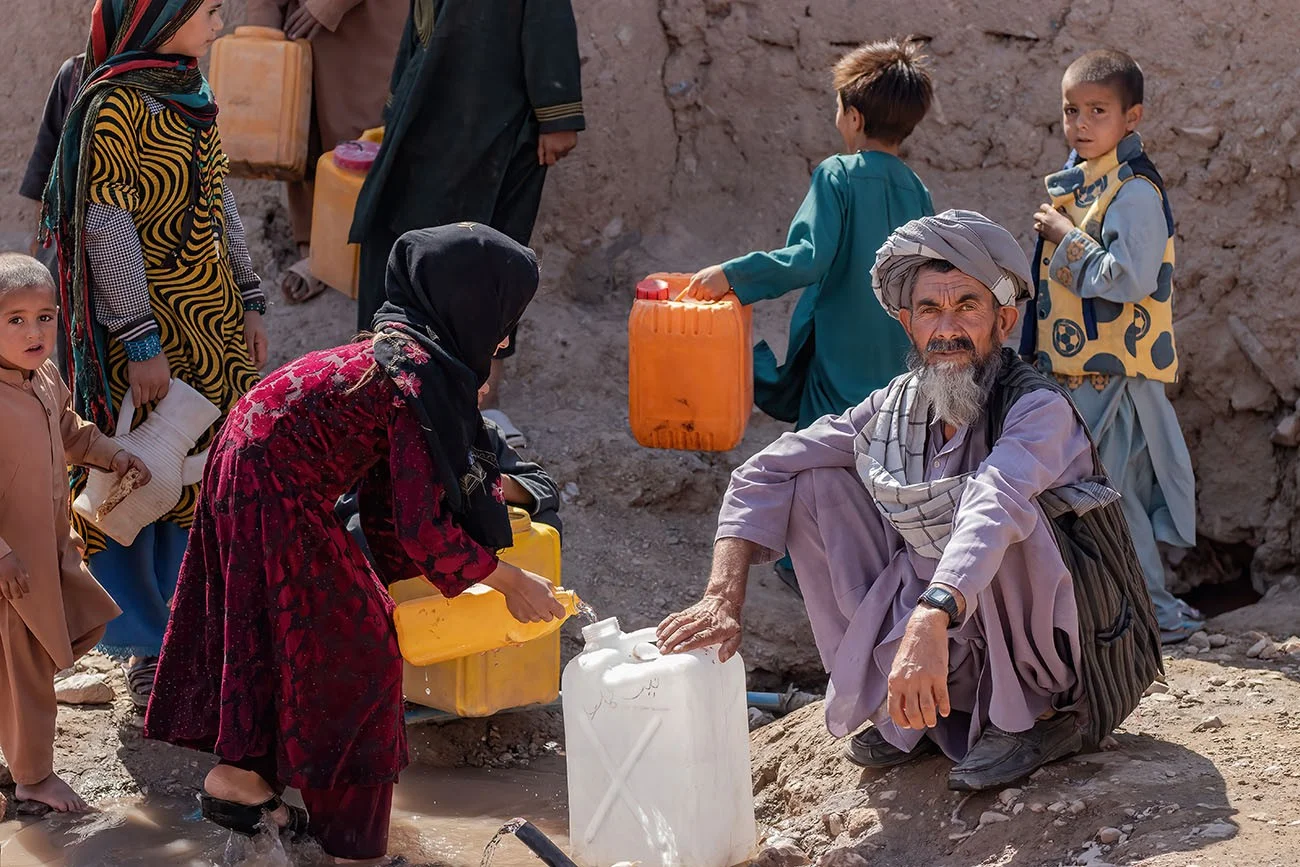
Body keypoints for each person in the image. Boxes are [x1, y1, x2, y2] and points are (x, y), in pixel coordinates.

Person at [143, 224, 566, 863]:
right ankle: (356, 850)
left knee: (277, 627)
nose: (505, 336)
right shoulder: (416, 374)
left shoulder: (400, 351)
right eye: (503, 316)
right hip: (276, 488)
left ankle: (242, 782)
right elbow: (420, 527)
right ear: (470, 305)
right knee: (359, 657)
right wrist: (511, 583)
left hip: (247, 466)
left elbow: (390, 504)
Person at [659, 212, 1105, 792]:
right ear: (907, 323)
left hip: (1039, 639)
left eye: (967, 307)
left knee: (1005, 520)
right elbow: (762, 470)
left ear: (1005, 320)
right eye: (929, 310)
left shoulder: (1035, 408)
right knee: (814, 481)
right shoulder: (897, 405)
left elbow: (994, 504)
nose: (947, 328)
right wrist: (722, 598)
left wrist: (931, 613)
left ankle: (1039, 718)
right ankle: (923, 707)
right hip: (942, 628)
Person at [40, 0, 271, 709]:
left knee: (203, 474)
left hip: (214, 325)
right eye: (207, 8)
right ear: (162, 17)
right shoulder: (115, 105)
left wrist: (251, 294)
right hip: (154, 327)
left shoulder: (190, 92)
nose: (221, 20)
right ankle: (145, 649)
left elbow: (219, 199)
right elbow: (108, 223)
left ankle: (199, 637)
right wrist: (139, 340)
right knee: (144, 474)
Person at [1023, 49, 1200, 643]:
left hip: (1114, 378)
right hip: (1082, 376)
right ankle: (1134, 606)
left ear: (1132, 118)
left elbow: (1129, 279)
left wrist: (1066, 239)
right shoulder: (1088, 182)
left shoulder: (1135, 192)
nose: (1081, 123)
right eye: (1072, 109)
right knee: (1105, 492)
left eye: (1098, 110)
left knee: (1108, 497)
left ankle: (1152, 609)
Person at [350, 0, 586, 438]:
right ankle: (392, 393)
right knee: (409, 255)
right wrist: (397, 106)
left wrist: (557, 113)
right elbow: (418, 30)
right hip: (426, 115)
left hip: (500, 120)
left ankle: (479, 402)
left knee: (488, 259)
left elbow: (546, 16)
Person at [682, 38, 935, 431]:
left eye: (838, 109)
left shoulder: (838, 175)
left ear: (854, 118)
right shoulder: (916, 189)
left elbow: (808, 257)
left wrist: (732, 275)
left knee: (820, 470)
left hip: (837, 369)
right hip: (898, 373)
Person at [0, 254, 150, 812]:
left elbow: (69, 430)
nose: (34, 332)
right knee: (29, 666)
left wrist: (114, 454)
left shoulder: (44, 377)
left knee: (63, 636)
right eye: (15, 319)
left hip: (47, 553)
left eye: (45, 317)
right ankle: (34, 777)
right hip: (11, 568)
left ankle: (16, 753)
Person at [241, 0, 408, 303]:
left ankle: (367, 255)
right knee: (302, 129)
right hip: (300, 23)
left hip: (370, 19)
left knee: (364, 133)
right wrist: (261, 30)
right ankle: (319, 253)